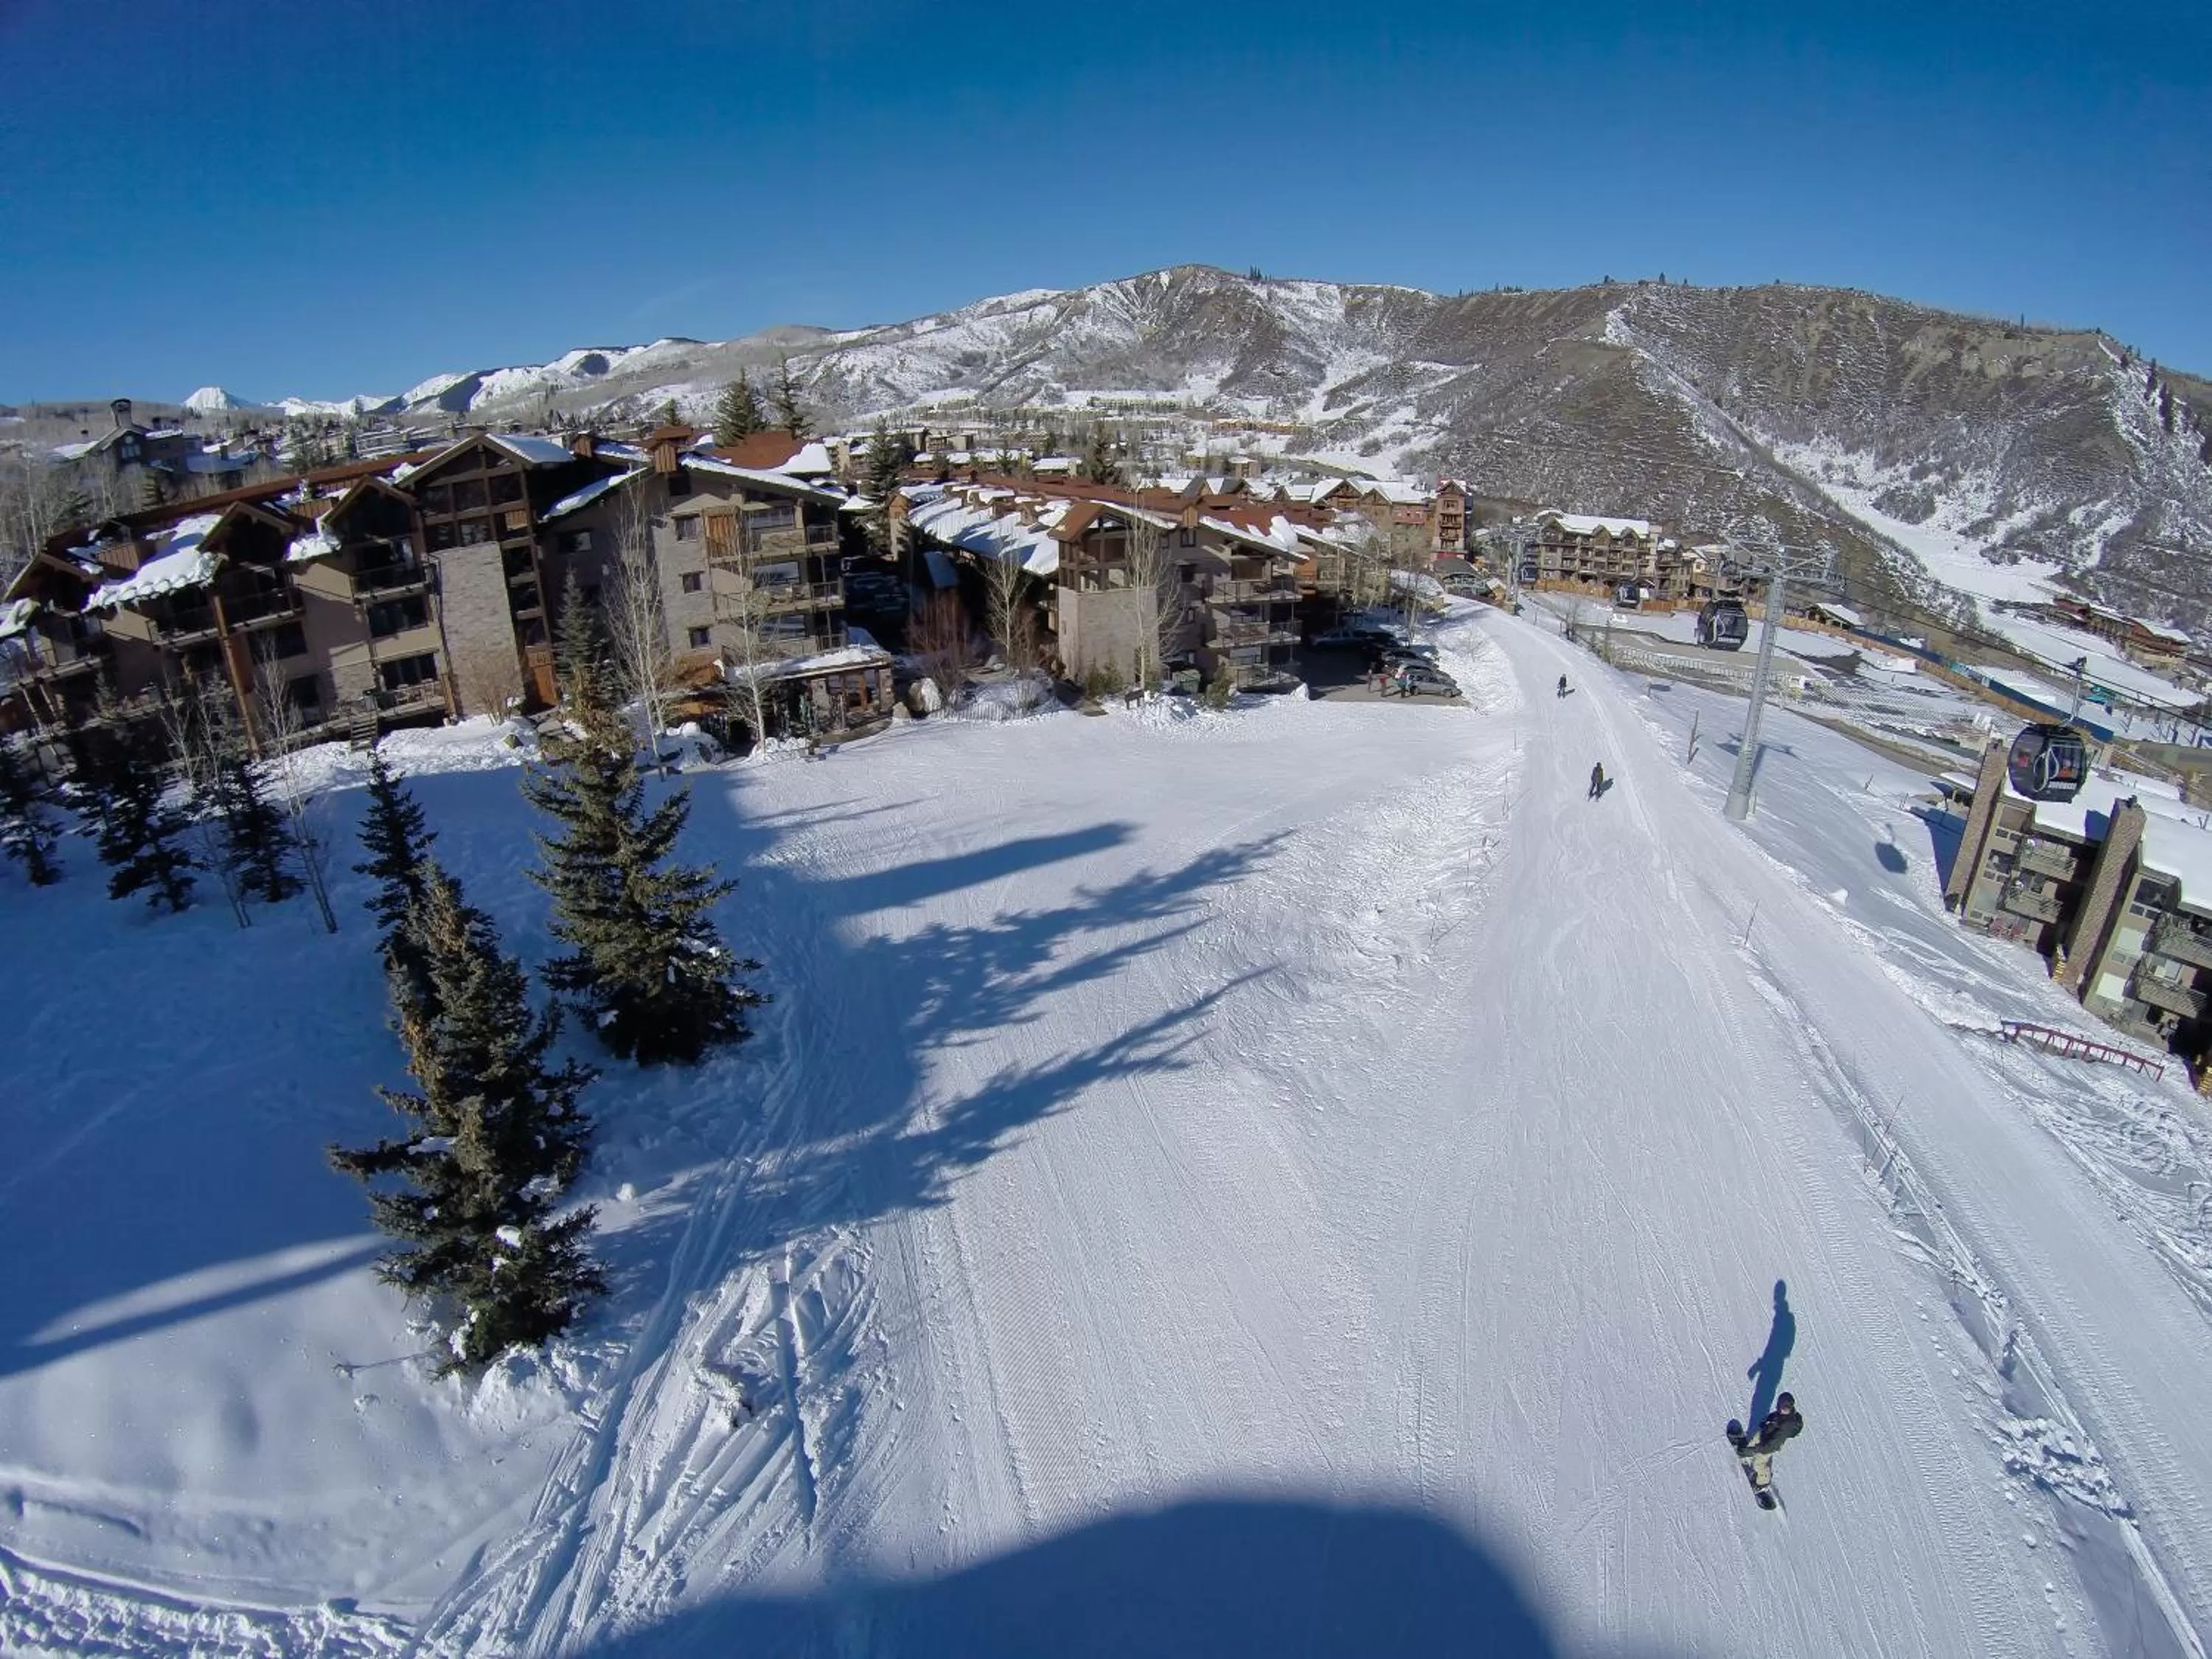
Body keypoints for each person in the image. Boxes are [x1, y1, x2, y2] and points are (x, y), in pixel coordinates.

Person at [1731, 1393, 1803, 1490]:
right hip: (1768, 1434)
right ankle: (1746, 1451)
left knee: (1759, 1463)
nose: (1784, 1410)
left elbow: (1772, 1446)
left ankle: (1763, 1482)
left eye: (1787, 1408)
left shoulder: (1787, 1426)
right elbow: (1774, 1417)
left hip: (1771, 1446)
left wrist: (1756, 1449)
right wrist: (1766, 1423)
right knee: (1755, 1438)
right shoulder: (1781, 1414)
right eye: (1782, 1407)